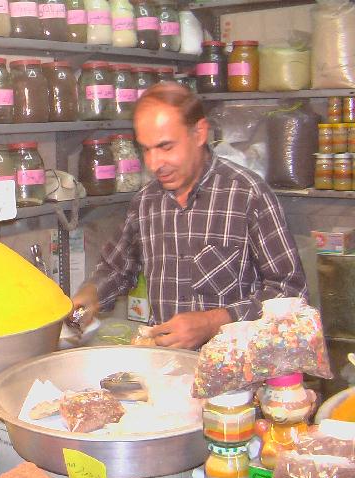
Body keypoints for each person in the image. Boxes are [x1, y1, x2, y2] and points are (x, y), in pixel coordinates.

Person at [72, 82, 308, 350]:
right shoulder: (146, 202)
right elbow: (116, 268)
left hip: (236, 364)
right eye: (146, 149)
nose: (154, 164)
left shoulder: (247, 195)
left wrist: (212, 323)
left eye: (166, 147)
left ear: (199, 133)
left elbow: (291, 293)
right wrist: (90, 296)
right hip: (168, 364)